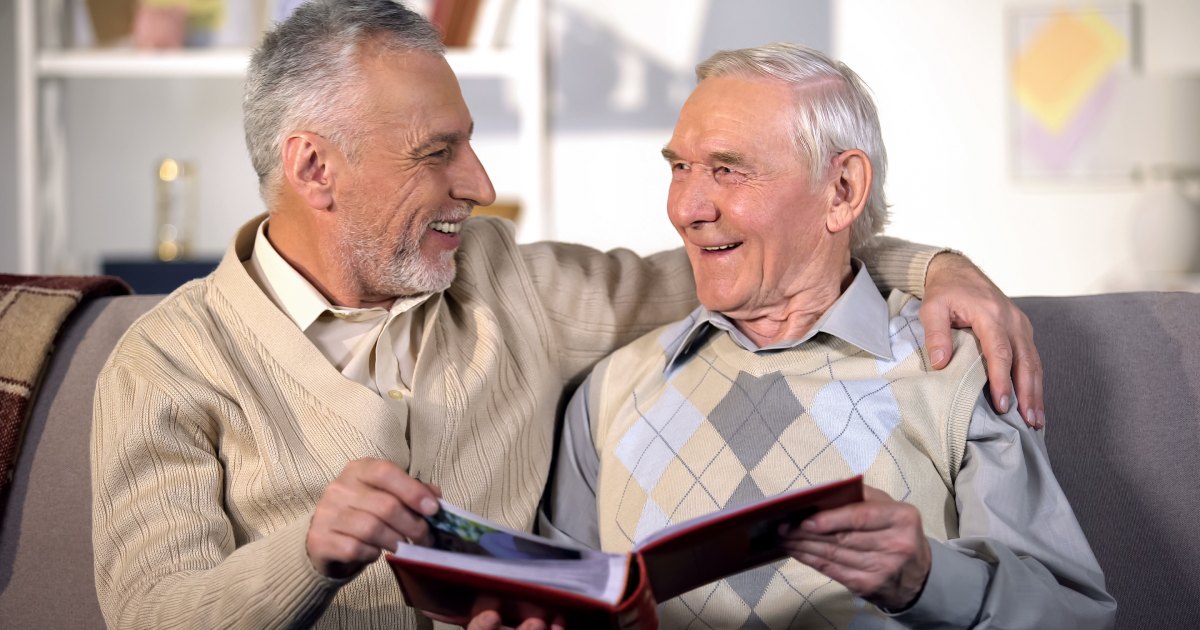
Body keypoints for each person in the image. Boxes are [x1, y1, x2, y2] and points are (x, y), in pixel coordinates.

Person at [90, 2, 1043, 628]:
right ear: (313, 169)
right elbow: (151, 616)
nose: (482, 184)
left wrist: (932, 263)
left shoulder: (507, 285)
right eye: (439, 152)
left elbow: (747, 257)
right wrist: (306, 556)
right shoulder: (168, 363)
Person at [542, 43, 1116, 628]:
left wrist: (926, 579)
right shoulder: (610, 390)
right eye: (679, 167)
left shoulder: (959, 369)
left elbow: (1074, 618)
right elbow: (562, 603)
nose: (685, 207)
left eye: (727, 169)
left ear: (842, 189)